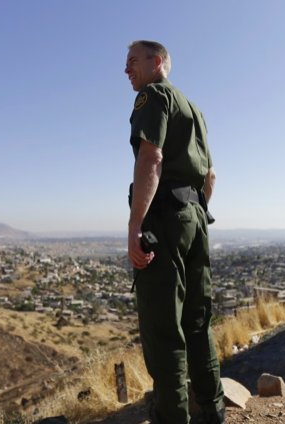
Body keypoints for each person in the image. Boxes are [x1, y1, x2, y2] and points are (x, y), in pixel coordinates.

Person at [124, 40, 224, 424]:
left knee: (163, 328)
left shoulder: (154, 97)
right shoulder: (194, 110)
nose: (126, 69)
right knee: (197, 322)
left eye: (133, 61)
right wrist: (195, 211)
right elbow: (210, 175)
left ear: (157, 62)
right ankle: (212, 411)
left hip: (165, 218)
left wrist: (136, 224)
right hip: (196, 218)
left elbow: (152, 157)